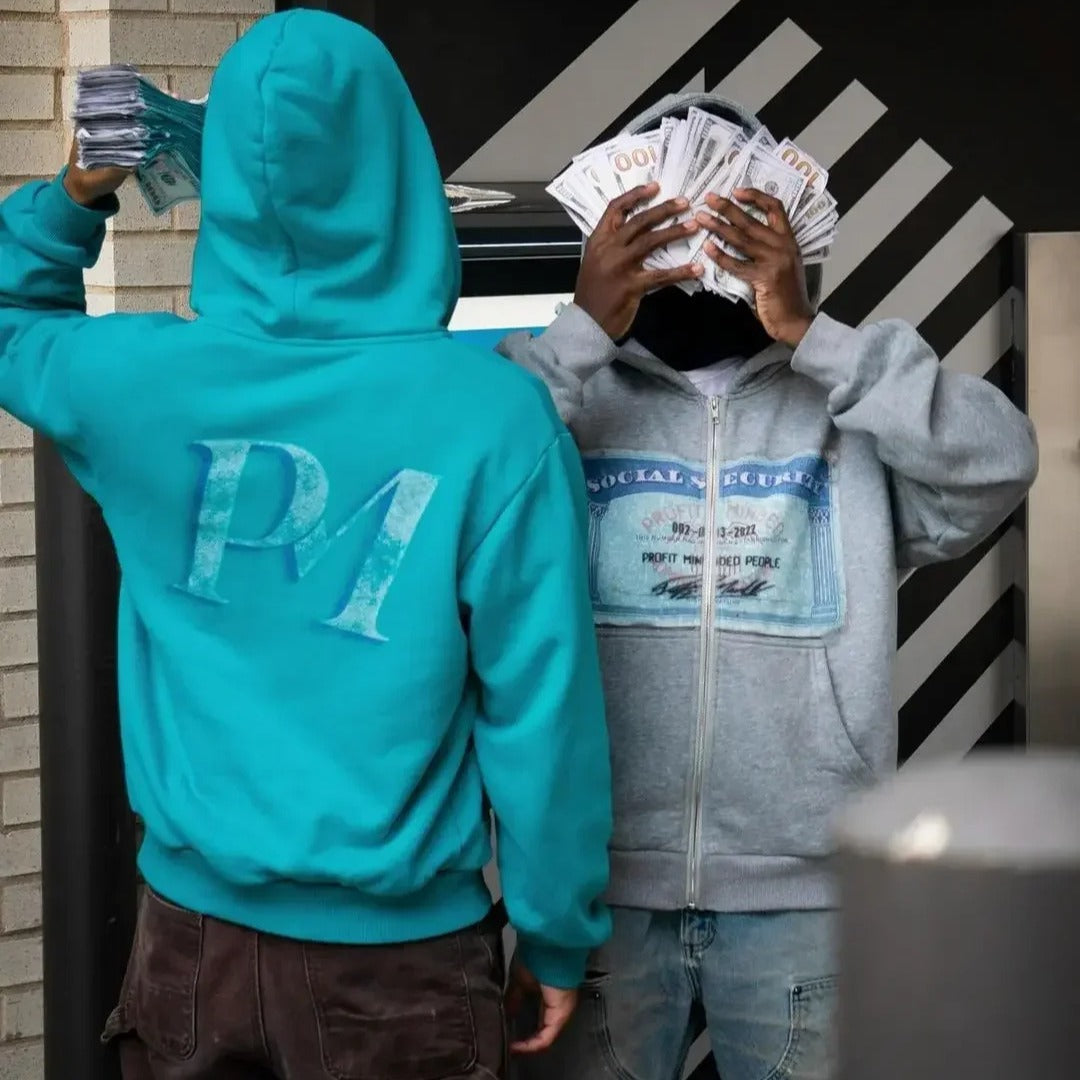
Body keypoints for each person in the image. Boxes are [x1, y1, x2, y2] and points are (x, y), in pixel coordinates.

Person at [0, 10, 613, 1078]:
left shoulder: (131, 383)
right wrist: (557, 932)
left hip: (187, 946)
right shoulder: (495, 420)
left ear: (226, 176)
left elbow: (14, 315)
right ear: (400, 167)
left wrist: (74, 195)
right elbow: (542, 712)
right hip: (400, 968)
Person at [499, 91, 1038, 1080]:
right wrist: (579, 332)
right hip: (590, 891)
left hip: (809, 897)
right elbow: (456, 489)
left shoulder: (849, 407)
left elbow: (999, 461)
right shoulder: (551, 408)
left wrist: (811, 333)